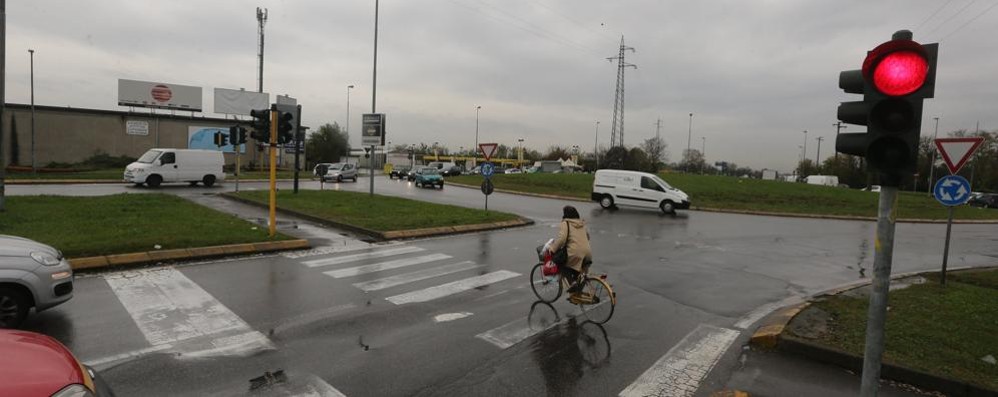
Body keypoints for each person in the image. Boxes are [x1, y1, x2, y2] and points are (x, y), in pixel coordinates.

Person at [548, 205, 592, 293]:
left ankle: (572, 283)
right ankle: (578, 290)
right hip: (587, 252)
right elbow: (588, 237)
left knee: (561, 264)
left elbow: (562, 239)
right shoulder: (581, 223)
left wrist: (552, 249)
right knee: (576, 267)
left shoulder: (566, 223)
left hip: (576, 252)